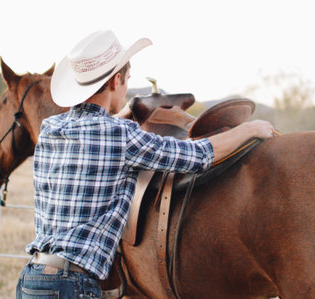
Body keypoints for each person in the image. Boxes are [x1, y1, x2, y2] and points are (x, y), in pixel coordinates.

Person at [16, 30, 274, 298]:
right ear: (116, 80)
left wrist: (125, 113)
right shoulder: (120, 136)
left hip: (32, 278)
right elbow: (197, 155)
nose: (127, 85)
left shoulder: (50, 129)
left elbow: (94, 134)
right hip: (74, 284)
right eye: (127, 79)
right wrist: (248, 130)